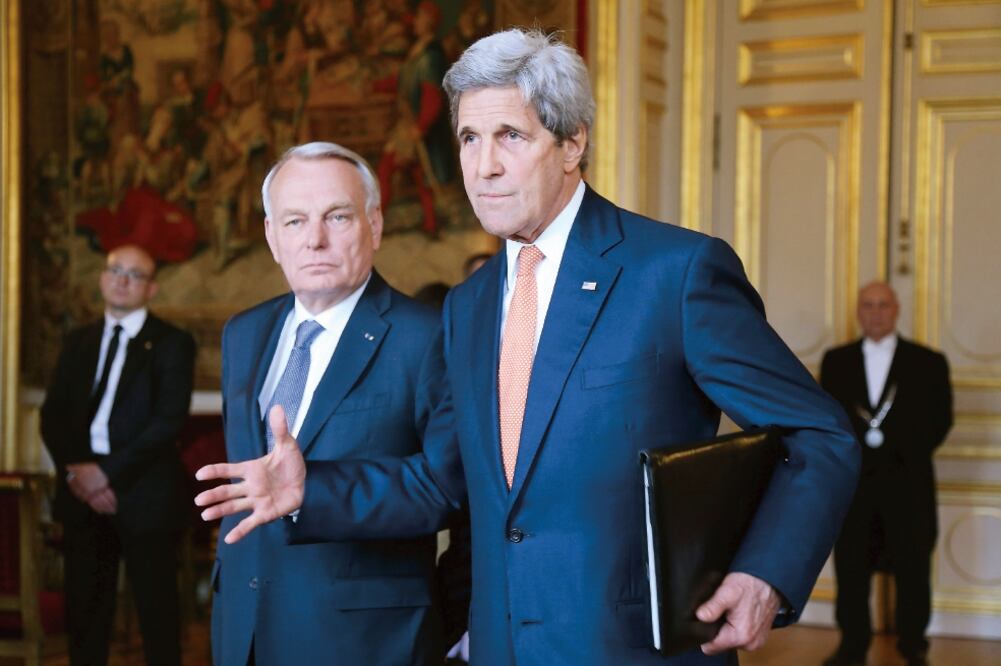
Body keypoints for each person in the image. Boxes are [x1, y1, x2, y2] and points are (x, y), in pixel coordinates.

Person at [197, 29, 860, 665]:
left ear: (572, 143)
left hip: (630, 650)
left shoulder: (675, 272)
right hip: (500, 646)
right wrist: (311, 488)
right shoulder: (467, 305)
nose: (483, 166)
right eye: (469, 138)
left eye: (510, 136)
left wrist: (763, 573)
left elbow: (819, 434)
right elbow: (444, 481)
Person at [208, 141, 465, 665]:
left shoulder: (427, 336)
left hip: (365, 638)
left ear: (375, 225)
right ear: (272, 237)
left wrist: (314, 490)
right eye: (295, 221)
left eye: (337, 217)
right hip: (244, 628)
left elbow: (448, 488)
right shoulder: (244, 332)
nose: (315, 240)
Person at [41, 244, 195, 666]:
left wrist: (105, 475)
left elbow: (168, 421)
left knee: (158, 618)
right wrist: (78, 476)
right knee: (85, 617)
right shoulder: (77, 341)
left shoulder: (173, 344)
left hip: (145, 495)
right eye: (115, 270)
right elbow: (53, 417)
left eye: (135, 274)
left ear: (152, 289)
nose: (123, 280)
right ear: (102, 278)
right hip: (81, 495)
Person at [820, 282, 952, 666]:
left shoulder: (928, 362)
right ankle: (852, 645)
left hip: (908, 485)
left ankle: (913, 645)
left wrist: (896, 452)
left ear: (896, 310)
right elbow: (829, 419)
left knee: (913, 571)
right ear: (858, 312)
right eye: (868, 305)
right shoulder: (836, 361)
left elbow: (940, 421)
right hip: (854, 487)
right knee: (851, 569)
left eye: (883, 305)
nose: (875, 312)